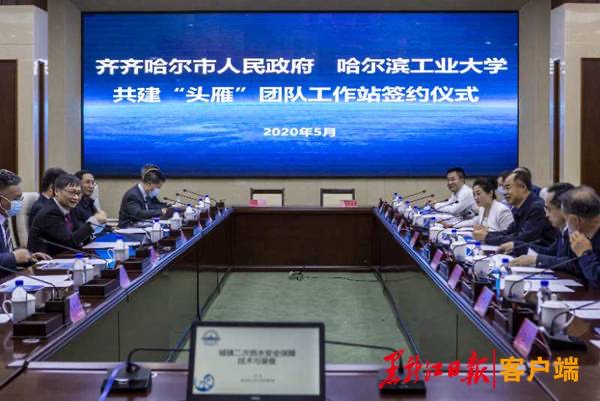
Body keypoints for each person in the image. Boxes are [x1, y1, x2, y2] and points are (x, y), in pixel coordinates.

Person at [500, 183, 577, 273]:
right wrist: (517, 247)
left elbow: (574, 264)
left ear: (564, 208)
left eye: (549, 209)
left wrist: (536, 260)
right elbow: (551, 252)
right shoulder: (562, 230)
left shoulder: (577, 231)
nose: (546, 215)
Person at [28, 174, 107, 257]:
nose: (76, 197)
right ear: (57, 191)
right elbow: (70, 242)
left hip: (66, 255)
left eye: (78, 193)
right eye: (72, 193)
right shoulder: (50, 213)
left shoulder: (70, 208)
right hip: (47, 260)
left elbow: (79, 233)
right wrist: (94, 221)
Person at [474, 170, 556, 246]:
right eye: (503, 188)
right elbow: (509, 232)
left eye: (507, 188)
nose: (504, 193)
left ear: (523, 187)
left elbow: (522, 239)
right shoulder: (519, 208)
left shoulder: (536, 208)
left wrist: (487, 237)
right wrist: (487, 234)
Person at [0, 170, 51, 274]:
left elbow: (4, 252)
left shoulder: (3, 220)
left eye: (20, 198)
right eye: (15, 199)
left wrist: (27, 256)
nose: (18, 203)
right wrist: (13, 257)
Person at [561, 186, 600, 287]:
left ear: (574, 219)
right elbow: (576, 269)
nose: (566, 225)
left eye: (566, 220)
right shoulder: (583, 237)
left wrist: (585, 253)